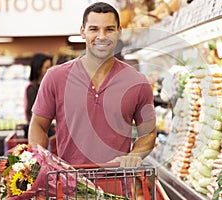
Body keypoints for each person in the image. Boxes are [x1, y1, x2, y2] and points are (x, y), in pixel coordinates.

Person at [28, 2, 157, 168]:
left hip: (117, 185)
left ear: (119, 32)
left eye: (109, 29)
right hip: (69, 184)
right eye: (94, 29)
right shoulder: (55, 77)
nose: (102, 36)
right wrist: (41, 156)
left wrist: (134, 155)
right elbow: (38, 124)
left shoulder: (137, 82)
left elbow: (148, 132)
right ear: (83, 31)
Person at [23, 53, 53, 138]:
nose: (50, 70)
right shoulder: (31, 89)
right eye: (46, 67)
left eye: (51, 67)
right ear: (38, 69)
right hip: (39, 133)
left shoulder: (52, 86)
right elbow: (30, 113)